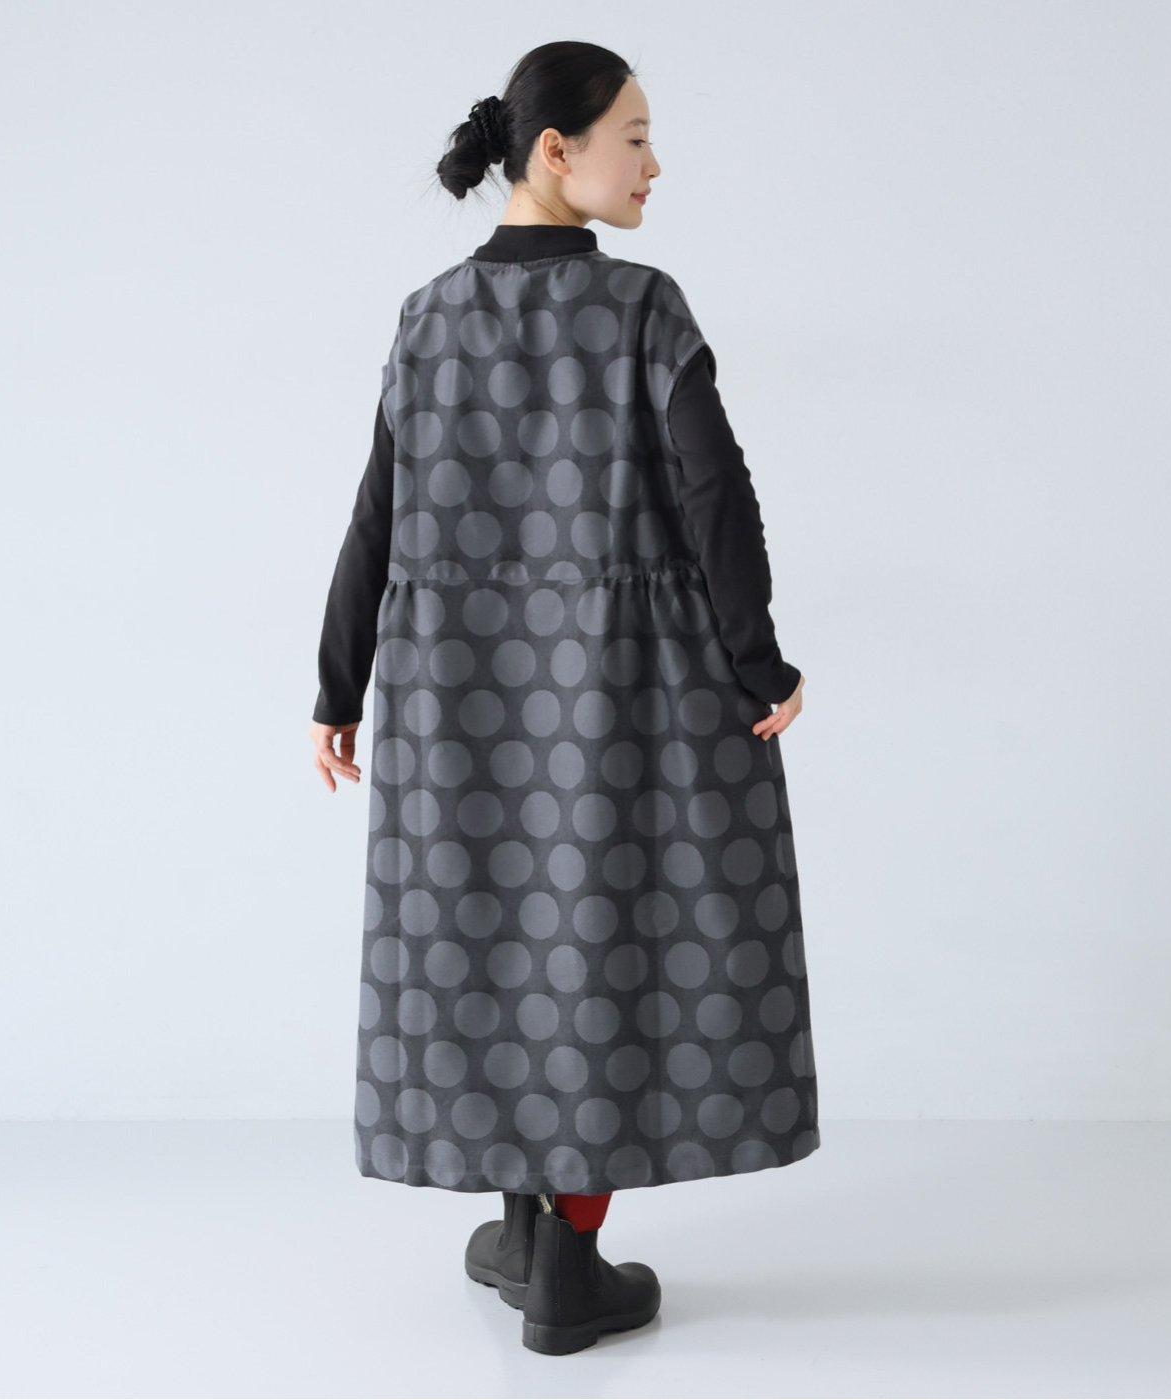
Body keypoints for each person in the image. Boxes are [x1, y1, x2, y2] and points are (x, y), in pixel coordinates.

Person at [309, 40, 819, 1356]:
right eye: (634, 138)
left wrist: (336, 684)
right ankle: (567, 1262)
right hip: (621, 686)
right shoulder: (642, 309)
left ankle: (530, 1238)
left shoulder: (427, 317)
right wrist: (757, 661)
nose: (653, 164)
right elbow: (714, 494)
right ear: (557, 151)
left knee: (486, 932)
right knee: (607, 940)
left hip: (454, 692)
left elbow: (376, 511)